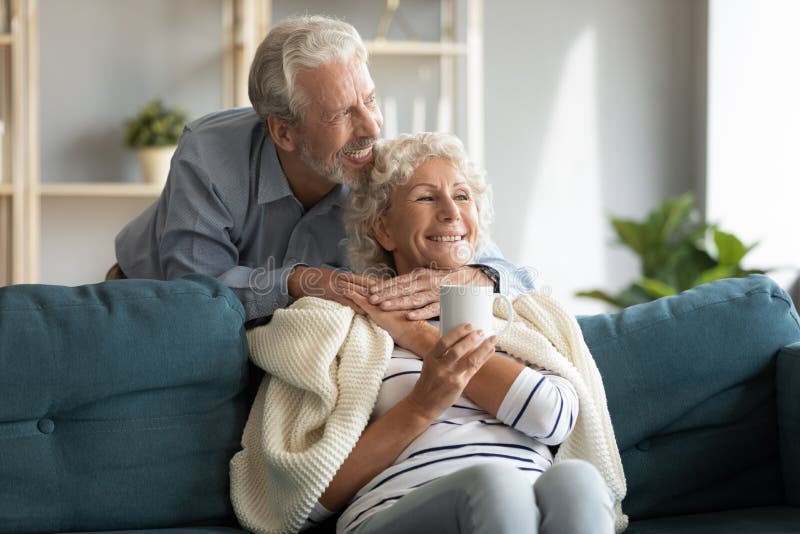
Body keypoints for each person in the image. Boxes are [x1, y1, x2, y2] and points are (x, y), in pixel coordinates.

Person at [288, 132, 616, 533]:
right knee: (495, 485)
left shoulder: (515, 315)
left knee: (579, 482)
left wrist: (423, 339)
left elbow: (554, 418)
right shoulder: (341, 326)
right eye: (427, 197)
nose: (450, 212)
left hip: (528, 505)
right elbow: (304, 498)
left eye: (462, 197)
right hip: (399, 509)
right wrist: (421, 406)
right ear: (384, 229)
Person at [111, 15, 534, 324]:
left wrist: (475, 277)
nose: (372, 127)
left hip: (279, 330)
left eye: (370, 100)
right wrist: (298, 281)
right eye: (342, 114)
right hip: (148, 300)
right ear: (284, 131)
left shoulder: (381, 163)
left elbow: (509, 271)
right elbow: (196, 295)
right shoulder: (209, 155)